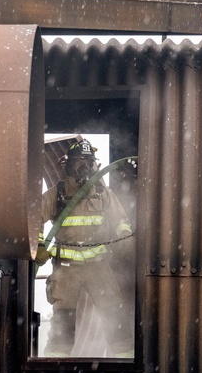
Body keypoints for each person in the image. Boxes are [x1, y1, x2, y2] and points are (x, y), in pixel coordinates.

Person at [34, 139, 134, 358]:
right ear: (68, 164)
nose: (84, 167)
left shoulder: (102, 193)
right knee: (63, 322)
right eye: (79, 162)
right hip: (67, 269)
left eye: (88, 162)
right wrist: (40, 246)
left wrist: (124, 235)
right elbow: (34, 218)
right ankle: (55, 371)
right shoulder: (57, 193)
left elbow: (121, 219)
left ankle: (125, 366)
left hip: (98, 267)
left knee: (115, 317)